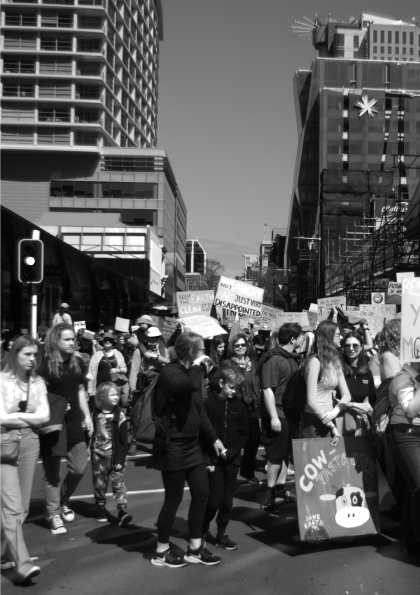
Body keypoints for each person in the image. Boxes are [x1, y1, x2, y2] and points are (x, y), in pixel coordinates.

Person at [151, 332, 225, 568]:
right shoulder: (170, 373)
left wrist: (213, 438)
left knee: (202, 494)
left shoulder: (193, 373)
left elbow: (199, 410)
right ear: (191, 352)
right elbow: (190, 384)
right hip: (172, 444)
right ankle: (161, 551)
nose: (205, 354)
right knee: (173, 500)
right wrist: (196, 366)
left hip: (193, 445)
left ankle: (195, 548)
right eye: (202, 349)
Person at [1, 336, 49, 583]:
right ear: (14, 354)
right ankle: (23, 564)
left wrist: (15, 416)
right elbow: (0, 417)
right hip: (4, 445)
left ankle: (2, 553)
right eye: (27, 354)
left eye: (35, 354)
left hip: (30, 442)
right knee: (12, 507)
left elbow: (45, 416)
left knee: (24, 508)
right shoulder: (2, 380)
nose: (32, 359)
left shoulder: (38, 382)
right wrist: (29, 416)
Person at [37, 323, 93, 535]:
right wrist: (55, 403)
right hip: (53, 425)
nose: (72, 342)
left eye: (73, 339)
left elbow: (80, 390)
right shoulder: (44, 365)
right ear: (55, 341)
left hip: (74, 423)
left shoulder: (78, 362)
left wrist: (87, 415)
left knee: (79, 468)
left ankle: (63, 500)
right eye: (67, 339)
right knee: (52, 475)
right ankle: (53, 513)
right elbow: (37, 394)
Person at [201, 368, 248, 550]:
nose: (234, 392)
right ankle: (202, 531)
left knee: (227, 502)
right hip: (214, 462)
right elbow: (203, 434)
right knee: (214, 500)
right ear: (221, 384)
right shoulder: (209, 404)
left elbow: (244, 434)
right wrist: (207, 460)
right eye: (231, 387)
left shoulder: (240, 406)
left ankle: (221, 534)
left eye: (236, 388)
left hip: (232, 460)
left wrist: (234, 451)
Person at [259, 323, 302, 510]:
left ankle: (281, 488)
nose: (302, 340)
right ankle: (269, 493)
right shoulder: (273, 360)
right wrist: (274, 417)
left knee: (286, 454)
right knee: (276, 456)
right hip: (278, 413)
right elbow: (267, 389)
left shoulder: (292, 358)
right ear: (293, 339)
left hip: (291, 414)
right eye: (300, 337)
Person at [210, 334, 261, 485]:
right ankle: (228, 475)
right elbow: (214, 383)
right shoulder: (227, 364)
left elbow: (257, 384)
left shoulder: (253, 363)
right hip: (234, 406)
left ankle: (247, 472)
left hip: (252, 407)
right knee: (234, 442)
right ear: (232, 347)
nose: (240, 348)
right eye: (237, 345)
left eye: (243, 345)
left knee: (253, 441)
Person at [388, 361, 420, 554]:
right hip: (406, 434)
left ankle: (409, 538)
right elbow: (410, 411)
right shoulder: (403, 378)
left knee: (414, 488)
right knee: (418, 487)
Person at [302, 320, 351, 441]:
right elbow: (311, 400)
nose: (341, 338)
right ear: (328, 337)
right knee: (314, 459)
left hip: (329, 416)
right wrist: (331, 425)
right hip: (313, 420)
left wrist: (335, 411)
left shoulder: (336, 361)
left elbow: (347, 394)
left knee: (329, 458)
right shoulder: (314, 362)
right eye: (338, 335)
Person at [91, 382, 132, 526]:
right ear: (102, 397)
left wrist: (120, 459)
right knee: (100, 484)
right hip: (98, 456)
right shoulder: (94, 414)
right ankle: (101, 507)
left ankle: (122, 509)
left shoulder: (119, 414)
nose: (116, 397)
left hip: (116, 457)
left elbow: (123, 440)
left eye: (117, 394)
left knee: (119, 484)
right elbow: (89, 433)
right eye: (112, 394)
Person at [341, 331, 376, 436]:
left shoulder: (367, 372)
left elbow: (371, 399)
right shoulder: (338, 370)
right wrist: (354, 406)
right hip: (342, 421)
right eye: (347, 346)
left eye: (355, 346)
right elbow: (333, 398)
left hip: (361, 424)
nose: (351, 348)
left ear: (361, 347)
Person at [87, 332, 127, 399]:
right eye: (106, 340)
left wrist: (117, 370)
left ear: (113, 342)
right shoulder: (96, 355)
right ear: (103, 342)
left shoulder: (118, 354)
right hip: (100, 387)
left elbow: (124, 369)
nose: (108, 341)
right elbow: (91, 373)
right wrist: (90, 390)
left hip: (114, 387)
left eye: (110, 340)